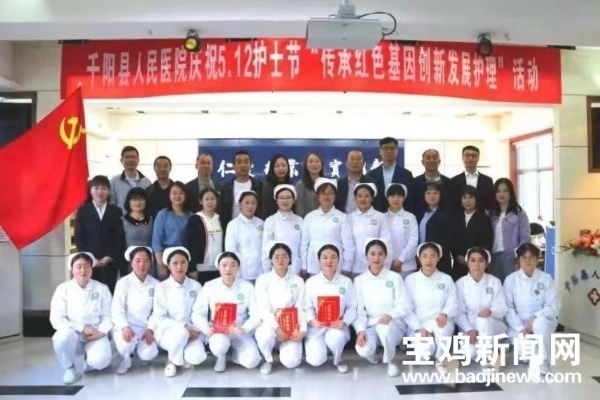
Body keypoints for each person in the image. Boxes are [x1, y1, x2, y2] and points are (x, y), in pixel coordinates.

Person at [191, 251, 261, 373]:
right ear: (218, 267)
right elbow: (197, 313)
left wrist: (244, 329)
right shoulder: (209, 286)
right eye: (224, 265)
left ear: (238, 267)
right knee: (220, 345)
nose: (228, 269)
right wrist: (206, 329)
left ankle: (234, 355)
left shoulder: (247, 287)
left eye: (233, 265)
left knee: (252, 361)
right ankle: (221, 356)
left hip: (239, 331)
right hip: (218, 332)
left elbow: (256, 314)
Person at [49, 252, 113, 385]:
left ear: (92, 268)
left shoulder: (102, 288)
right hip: (73, 334)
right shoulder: (63, 289)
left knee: (102, 360)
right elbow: (56, 318)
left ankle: (88, 363)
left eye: (87, 266)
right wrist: (82, 328)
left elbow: (108, 315)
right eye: (78, 267)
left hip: (95, 334)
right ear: (72, 270)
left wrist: (101, 332)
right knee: (61, 338)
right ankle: (69, 367)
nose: (83, 270)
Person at [354, 239, 410, 377]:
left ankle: (390, 361)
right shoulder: (359, 280)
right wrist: (360, 330)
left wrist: (390, 315)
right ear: (366, 256)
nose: (376, 258)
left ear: (385, 256)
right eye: (372, 254)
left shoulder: (395, 277)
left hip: (392, 324)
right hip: (371, 324)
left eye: (380, 254)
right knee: (363, 349)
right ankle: (372, 354)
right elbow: (359, 311)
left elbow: (404, 305)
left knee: (385, 329)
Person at [504, 243, 560, 376]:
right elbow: (508, 308)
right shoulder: (511, 280)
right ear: (519, 260)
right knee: (525, 353)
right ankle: (531, 351)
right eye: (524, 257)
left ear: (537, 259)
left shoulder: (546, 279)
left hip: (542, 323)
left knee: (539, 323)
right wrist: (521, 329)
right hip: (520, 326)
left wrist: (536, 317)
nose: (528, 261)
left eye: (532, 257)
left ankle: (544, 361)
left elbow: (554, 306)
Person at [151, 247, 207, 377]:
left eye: (183, 262)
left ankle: (179, 355)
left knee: (196, 357)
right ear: (168, 266)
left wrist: (197, 330)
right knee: (181, 333)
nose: (179, 267)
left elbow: (202, 313)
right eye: (175, 263)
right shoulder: (161, 287)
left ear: (188, 264)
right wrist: (184, 326)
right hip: (168, 332)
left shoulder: (196, 286)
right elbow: (159, 317)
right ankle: (172, 362)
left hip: (193, 332)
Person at [404, 242, 458, 374]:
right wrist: (418, 328)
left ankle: (440, 359)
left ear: (438, 258)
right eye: (424, 256)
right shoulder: (411, 280)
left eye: (433, 256)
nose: (428, 260)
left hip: (440, 320)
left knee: (443, 331)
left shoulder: (446, 279)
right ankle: (430, 346)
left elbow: (453, 302)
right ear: (419, 258)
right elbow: (406, 308)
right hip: (419, 322)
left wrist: (445, 313)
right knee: (424, 354)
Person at [304, 244, 357, 373]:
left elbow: (352, 307)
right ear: (319, 260)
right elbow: (306, 307)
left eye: (333, 257)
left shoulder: (346, 282)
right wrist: (312, 320)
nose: (329, 261)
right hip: (317, 327)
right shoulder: (311, 282)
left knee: (336, 338)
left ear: (338, 260)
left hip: (337, 326)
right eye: (325, 257)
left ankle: (338, 359)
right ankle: (323, 349)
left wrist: (344, 322)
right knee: (316, 360)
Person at [254, 242, 306, 375]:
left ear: (290, 259)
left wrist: (302, 329)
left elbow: (301, 307)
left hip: (290, 325)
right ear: (271, 260)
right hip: (269, 324)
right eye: (276, 257)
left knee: (292, 362)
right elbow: (264, 309)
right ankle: (267, 359)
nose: (280, 260)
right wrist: (277, 328)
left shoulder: (298, 280)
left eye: (284, 256)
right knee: (265, 336)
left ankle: (282, 349)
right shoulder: (263, 280)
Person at [454, 247, 507, 372]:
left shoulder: (494, 282)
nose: (477, 264)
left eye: (481, 260)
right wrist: (469, 329)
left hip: (492, 325)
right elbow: (458, 313)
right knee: (470, 353)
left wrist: (491, 311)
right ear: (467, 262)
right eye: (473, 260)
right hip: (470, 328)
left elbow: (502, 308)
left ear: (487, 263)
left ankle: (486, 359)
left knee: (483, 320)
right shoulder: (460, 284)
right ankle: (488, 350)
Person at [111, 246, 159, 374]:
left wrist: (150, 329)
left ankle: (140, 352)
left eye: (146, 261)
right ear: (131, 263)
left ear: (150, 263)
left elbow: (158, 311)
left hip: (145, 328)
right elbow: (117, 309)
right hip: (127, 326)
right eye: (137, 261)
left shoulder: (156, 284)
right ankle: (126, 358)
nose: (142, 265)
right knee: (125, 346)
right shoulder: (123, 283)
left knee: (149, 354)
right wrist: (124, 326)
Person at [74, 175, 125, 294]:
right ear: (91, 190)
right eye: (96, 188)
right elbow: (79, 238)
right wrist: (91, 258)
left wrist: (110, 256)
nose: (100, 192)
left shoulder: (116, 211)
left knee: (109, 292)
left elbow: (119, 237)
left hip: (110, 261)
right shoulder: (83, 211)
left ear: (109, 191)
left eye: (103, 188)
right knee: (90, 292)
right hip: (89, 262)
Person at [341, 182, 392, 278]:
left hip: (376, 266)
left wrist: (386, 266)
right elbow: (348, 245)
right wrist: (347, 266)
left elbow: (386, 242)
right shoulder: (349, 218)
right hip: (355, 266)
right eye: (359, 196)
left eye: (367, 196)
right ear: (355, 198)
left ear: (372, 198)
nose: (363, 199)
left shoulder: (381, 217)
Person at [300, 178, 347, 278]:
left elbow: (348, 245)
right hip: (314, 264)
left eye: (330, 193)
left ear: (335, 196)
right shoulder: (309, 217)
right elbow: (304, 244)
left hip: (336, 264)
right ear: (317, 196)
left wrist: (347, 266)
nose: (327, 196)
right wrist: (304, 265)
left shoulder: (342, 217)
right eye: (323, 193)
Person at [490, 178, 531, 283]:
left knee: (512, 287)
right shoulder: (492, 213)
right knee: (495, 288)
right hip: (494, 258)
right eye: (498, 191)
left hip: (512, 258)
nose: (501, 194)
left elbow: (525, 238)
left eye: (505, 191)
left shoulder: (519, 213)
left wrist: (519, 258)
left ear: (511, 193)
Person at [450, 185, 493, 281]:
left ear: (476, 199)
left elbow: (487, 242)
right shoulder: (456, 218)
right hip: (458, 264)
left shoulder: (484, 219)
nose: (467, 201)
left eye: (470, 197)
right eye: (464, 197)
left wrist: (473, 258)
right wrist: (457, 255)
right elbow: (452, 240)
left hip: (477, 264)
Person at [152, 182, 193, 280]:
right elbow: (156, 241)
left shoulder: (191, 216)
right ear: (169, 195)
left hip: (184, 259)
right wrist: (161, 264)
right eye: (174, 193)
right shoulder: (163, 214)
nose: (177, 196)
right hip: (166, 259)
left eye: (181, 193)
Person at [184, 187, 223, 284]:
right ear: (201, 201)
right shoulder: (195, 220)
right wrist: (192, 268)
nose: (210, 202)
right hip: (201, 269)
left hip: (220, 268)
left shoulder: (221, 219)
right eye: (207, 199)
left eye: (212, 198)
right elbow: (190, 244)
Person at [262, 184, 303, 275]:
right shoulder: (270, 221)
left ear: (293, 200)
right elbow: (266, 248)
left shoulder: (300, 221)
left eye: (288, 197)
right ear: (276, 200)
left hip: (296, 267)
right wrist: (267, 270)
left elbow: (302, 246)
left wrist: (303, 267)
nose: (285, 201)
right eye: (281, 198)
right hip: (276, 268)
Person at [225, 190, 264, 283]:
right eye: (247, 203)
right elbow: (231, 251)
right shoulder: (233, 225)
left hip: (261, 273)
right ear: (240, 205)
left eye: (253, 203)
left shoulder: (261, 223)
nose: (250, 206)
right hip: (241, 273)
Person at [367, 137, 414, 213]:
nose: (389, 151)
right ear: (380, 151)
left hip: (399, 216)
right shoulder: (371, 175)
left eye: (392, 148)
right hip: (377, 216)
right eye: (385, 148)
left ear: (397, 151)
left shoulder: (407, 175)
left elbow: (410, 200)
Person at [218, 150, 264, 228]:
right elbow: (221, 213)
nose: (243, 165)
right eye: (239, 162)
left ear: (250, 165)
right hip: (232, 229)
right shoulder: (225, 188)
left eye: (246, 162)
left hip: (254, 229)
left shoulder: (259, 186)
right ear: (233, 166)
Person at [417, 181, 453, 276]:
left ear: (441, 195)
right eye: (428, 193)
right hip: (422, 258)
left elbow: (448, 239)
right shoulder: (420, 212)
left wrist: (435, 256)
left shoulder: (447, 214)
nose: (432, 196)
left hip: (439, 259)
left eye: (435, 193)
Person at [385, 184, 418, 279]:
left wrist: (400, 260)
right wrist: (389, 261)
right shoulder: (382, 217)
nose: (396, 199)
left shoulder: (411, 217)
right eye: (392, 196)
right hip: (387, 265)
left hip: (407, 266)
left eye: (399, 196)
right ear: (387, 198)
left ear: (404, 198)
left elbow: (413, 242)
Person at [450, 145, 495, 213]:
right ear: (462, 158)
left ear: (478, 158)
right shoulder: (453, 181)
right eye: (467, 155)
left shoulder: (487, 181)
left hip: (482, 218)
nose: (470, 158)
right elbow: (452, 203)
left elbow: (490, 204)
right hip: (460, 218)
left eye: (474, 156)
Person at [121, 188, 154, 276]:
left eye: (141, 199)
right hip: (129, 263)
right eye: (134, 200)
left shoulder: (152, 219)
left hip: (149, 262)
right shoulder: (122, 221)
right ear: (129, 202)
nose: (138, 203)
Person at [110, 145, 152, 213]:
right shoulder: (114, 181)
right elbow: (111, 204)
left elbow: (148, 203)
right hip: (121, 219)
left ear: (138, 160)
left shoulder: (146, 181)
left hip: (141, 218)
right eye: (127, 157)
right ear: (121, 160)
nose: (130, 160)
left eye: (133, 157)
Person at [335, 149, 376, 213]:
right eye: (352, 159)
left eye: (358, 159)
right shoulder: (338, 183)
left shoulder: (372, 182)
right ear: (346, 163)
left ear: (364, 163)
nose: (355, 162)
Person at [261, 154, 292, 219]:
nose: (281, 168)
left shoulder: (290, 185)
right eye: (277, 166)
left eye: (283, 165)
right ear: (272, 168)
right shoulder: (268, 187)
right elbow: (265, 210)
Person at [295, 151, 324, 217]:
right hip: (307, 221)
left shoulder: (327, 184)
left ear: (321, 164)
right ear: (306, 165)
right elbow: (299, 209)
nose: (314, 164)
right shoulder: (300, 185)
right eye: (310, 162)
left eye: (317, 161)